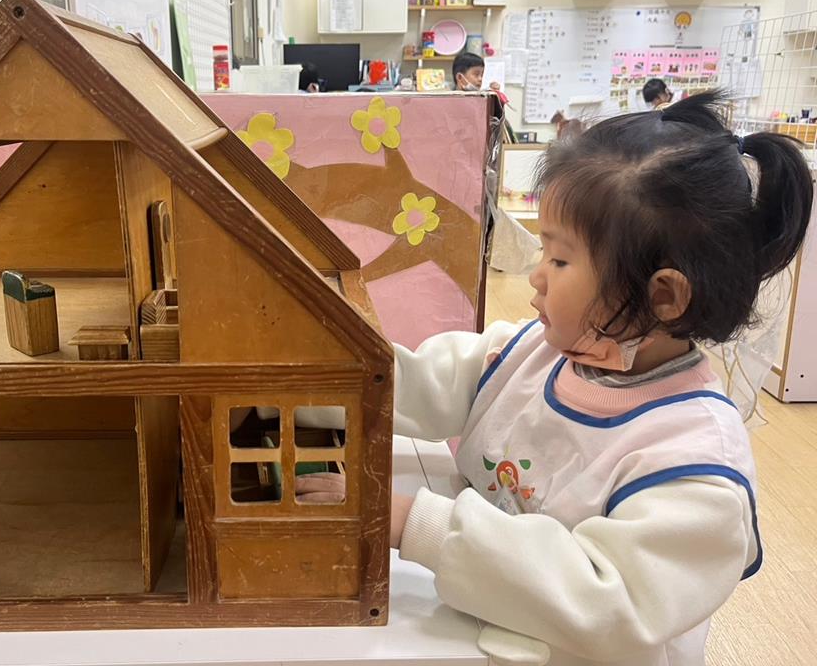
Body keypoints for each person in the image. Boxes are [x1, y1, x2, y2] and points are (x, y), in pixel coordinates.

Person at [298, 91, 813, 665]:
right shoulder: (525, 354)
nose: (537, 277)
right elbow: (400, 384)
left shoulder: (695, 463)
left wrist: (407, 520)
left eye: (561, 260)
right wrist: (296, 392)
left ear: (663, 296)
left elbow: (607, 600)